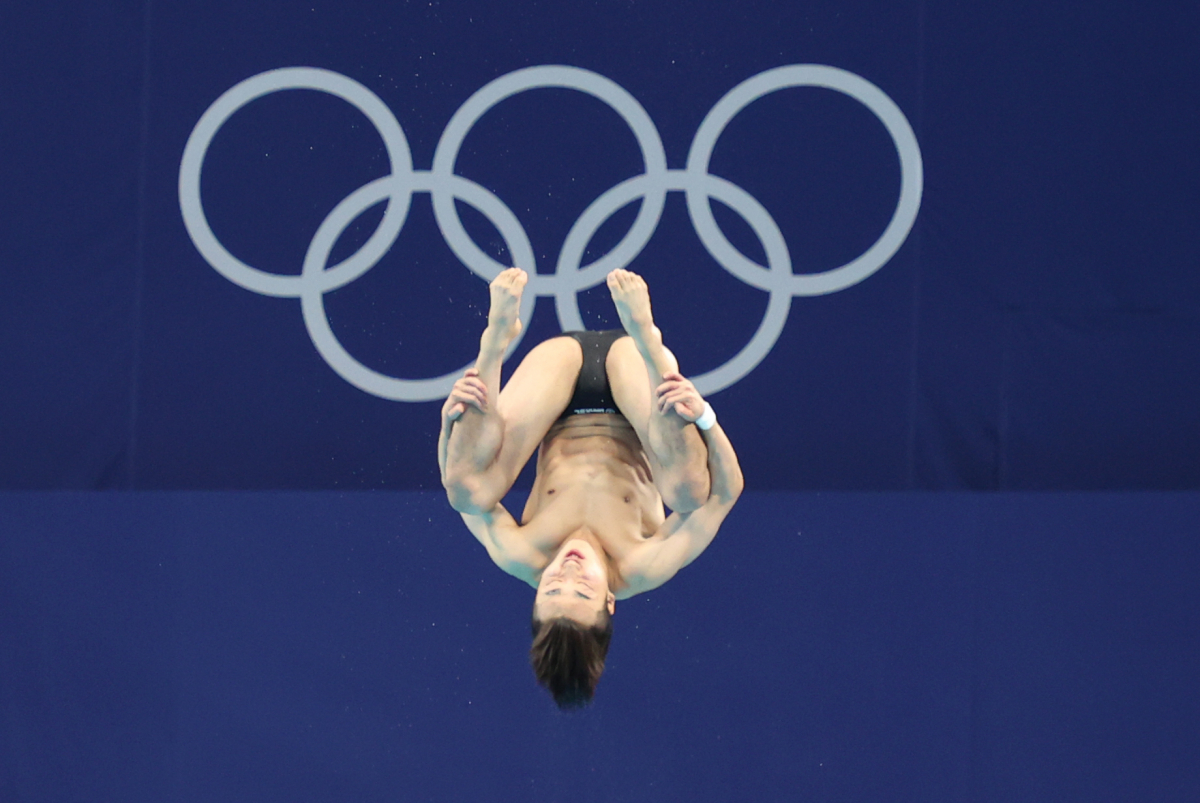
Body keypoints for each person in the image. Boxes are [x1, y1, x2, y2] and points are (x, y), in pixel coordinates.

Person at [438, 267, 743, 709]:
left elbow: (457, 485)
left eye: (550, 590)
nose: (567, 575)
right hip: (635, 383)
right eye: (581, 592)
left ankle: (494, 341)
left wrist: (449, 423)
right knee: (689, 493)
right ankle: (650, 336)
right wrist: (704, 417)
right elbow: (726, 493)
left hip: (555, 382)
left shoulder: (520, 553)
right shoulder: (644, 564)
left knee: (468, 490)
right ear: (610, 601)